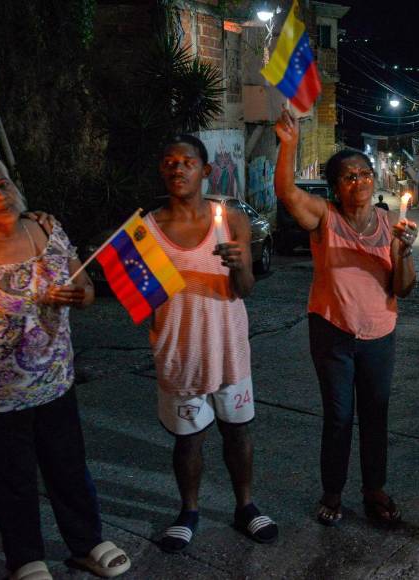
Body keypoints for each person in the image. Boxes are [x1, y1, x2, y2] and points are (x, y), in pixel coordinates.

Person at [0, 152, 131, 580]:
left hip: (56, 381)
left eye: (1, 184)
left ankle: (86, 543)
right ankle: (25, 559)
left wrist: (82, 296)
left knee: (68, 466)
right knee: (11, 480)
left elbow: (85, 286)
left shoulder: (46, 227)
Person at [275, 110, 417, 526]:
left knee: (376, 413)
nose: (360, 181)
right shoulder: (325, 218)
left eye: (365, 174)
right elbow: (287, 192)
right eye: (349, 176)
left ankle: (375, 490)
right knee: (338, 415)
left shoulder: (392, 225)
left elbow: (403, 288)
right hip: (332, 330)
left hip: (380, 334)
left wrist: (404, 253)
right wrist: (288, 145)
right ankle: (332, 492)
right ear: (336, 187)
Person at [147, 135, 277, 550]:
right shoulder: (147, 229)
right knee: (189, 440)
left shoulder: (228, 221)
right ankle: (188, 511)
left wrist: (241, 266)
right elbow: (142, 303)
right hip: (179, 354)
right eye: (169, 161)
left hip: (229, 351)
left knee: (238, 434)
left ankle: (246, 506)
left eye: (187, 161)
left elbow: (244, 290)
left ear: (204, 171)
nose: (177, 168)